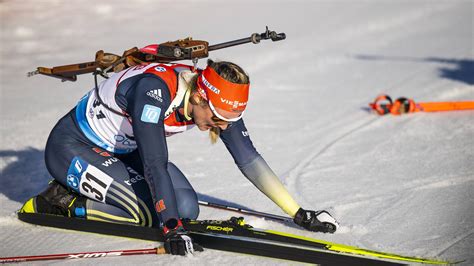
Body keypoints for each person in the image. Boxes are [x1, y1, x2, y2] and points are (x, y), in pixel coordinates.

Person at [20, 59, 339, 255]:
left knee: (186, 208)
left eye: (228, 118)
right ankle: (59, 200)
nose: (222, 125)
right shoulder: (154, 92)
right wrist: (171, 228)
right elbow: (154, 163)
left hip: (120, 152)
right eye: (217, 116)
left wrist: (299, 213)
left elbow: (249, 159)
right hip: (73, 147)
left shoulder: (213, 99)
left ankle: (92, 190)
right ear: (199, 95)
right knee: (150, 215)